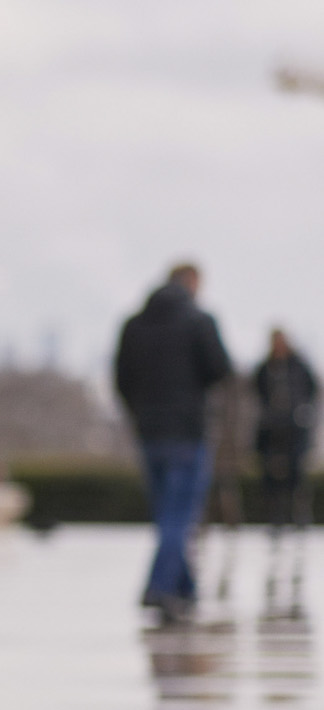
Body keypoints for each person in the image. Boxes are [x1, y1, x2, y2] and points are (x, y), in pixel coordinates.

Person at [113, 261, 234, 620]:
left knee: (167, 514)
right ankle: (160, 588)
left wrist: (140, 412)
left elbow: (120, 378)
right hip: (186, 431)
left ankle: (185, 589)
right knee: (179, 516)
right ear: (193, 283)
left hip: (149, 432)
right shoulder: (199, 321)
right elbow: (220, 369)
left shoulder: (134, 325)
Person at [252, 328, 317, 533]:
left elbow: (311, 388)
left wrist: (302, 410)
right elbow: (256, 390)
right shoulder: (265, 368)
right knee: (271, 477)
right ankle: (275, 519)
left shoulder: (299, 366)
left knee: (296, 476)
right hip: (271, 431)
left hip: (295, 429)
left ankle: (300, 518)